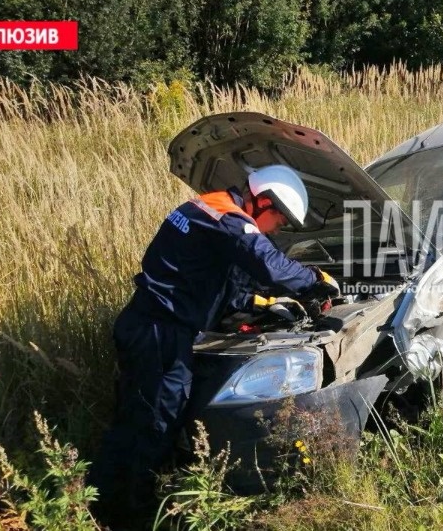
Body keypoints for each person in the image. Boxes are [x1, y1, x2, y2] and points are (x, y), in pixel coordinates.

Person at [87, 164, 339, 527]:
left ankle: (97, 498)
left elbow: (210, 280)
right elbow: (268, 264)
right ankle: (128, 515)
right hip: (160, 334)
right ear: (263, 202)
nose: (277, 230)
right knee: (154, 423)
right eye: (279, 222)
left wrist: (260, 304)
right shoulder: (228, 218)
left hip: (149, 326)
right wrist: (314, 279)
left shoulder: (207, 210)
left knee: (134, 417)